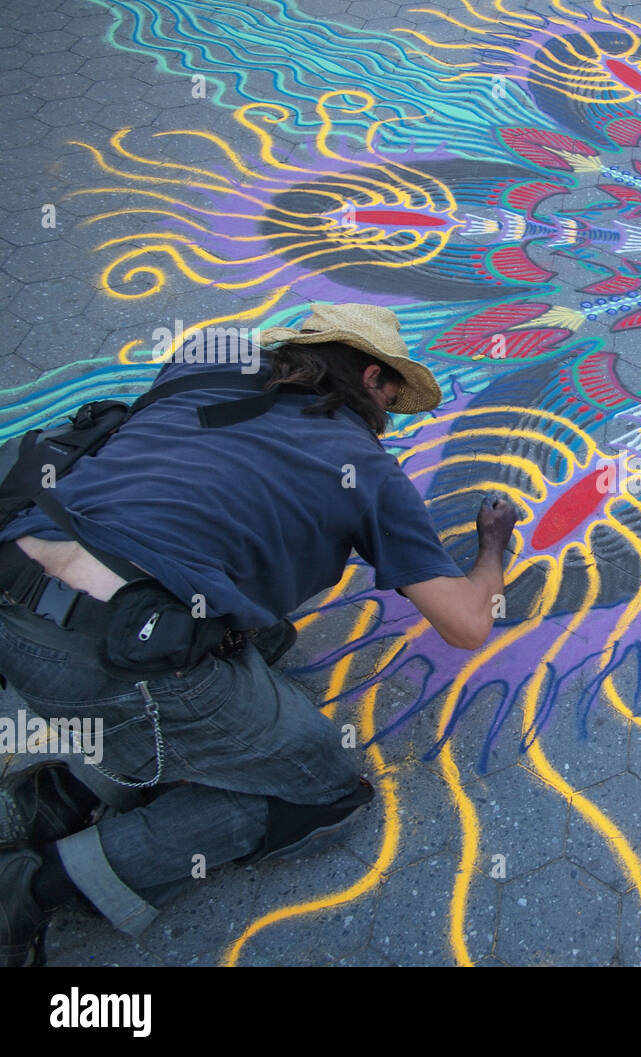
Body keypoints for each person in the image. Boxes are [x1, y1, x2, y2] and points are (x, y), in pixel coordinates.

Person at [0, 302, 517, 966]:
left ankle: (51, 798)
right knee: (322, 791)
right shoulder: (368, 471)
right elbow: (467, 621)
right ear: (368, 377)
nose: (391, 415)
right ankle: (31, 887)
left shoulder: (206, 356)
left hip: (16, 578)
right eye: (392, 394)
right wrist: (492, 546)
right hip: (114, 650)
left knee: (262, 635)